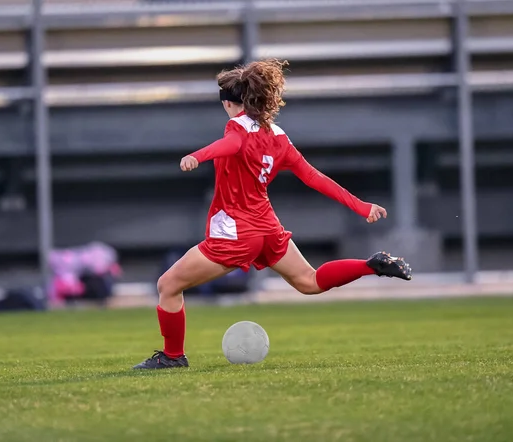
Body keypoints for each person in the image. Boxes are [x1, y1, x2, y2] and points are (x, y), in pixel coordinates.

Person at [134, 59, 412, 370]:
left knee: (168, 284)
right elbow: (313, 177)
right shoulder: (278, 136)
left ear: (228, 103)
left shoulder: (235, 126)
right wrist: (361, 206)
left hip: (237, 233)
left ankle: (173, 356)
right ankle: (370, 266)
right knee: (309, 281)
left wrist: (196, 156)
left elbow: (231, 144)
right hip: (268, 229)